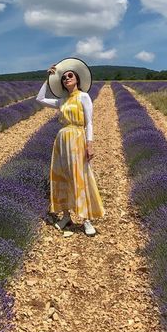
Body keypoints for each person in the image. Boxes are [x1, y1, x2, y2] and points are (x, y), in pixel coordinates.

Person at [36, 57, 104, 236]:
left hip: (77, 137)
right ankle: (66, 215)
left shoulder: (84, 96)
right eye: (64, 77)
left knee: (80, 176)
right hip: (62, 140)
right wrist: (48, 78)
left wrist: (90, 144)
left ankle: (86, 219)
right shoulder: (61, 101)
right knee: (62, 176)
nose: (66, 78)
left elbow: (89, 123)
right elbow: (40, 98)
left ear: (77, 79)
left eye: (70, 75)